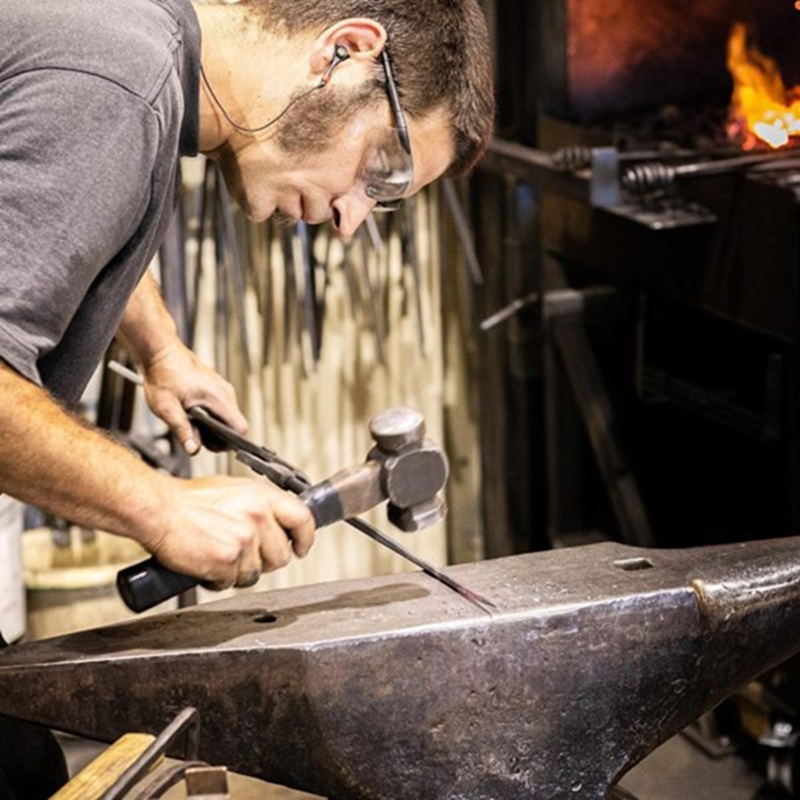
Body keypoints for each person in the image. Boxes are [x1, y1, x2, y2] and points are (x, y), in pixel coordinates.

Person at [0, 0, 494, 793]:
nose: (349, 220)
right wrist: (159, 506)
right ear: (344, 52)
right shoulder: (121, 85)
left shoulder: (137, 44)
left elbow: (47, 210)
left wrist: (158, 344)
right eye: (381, 169)